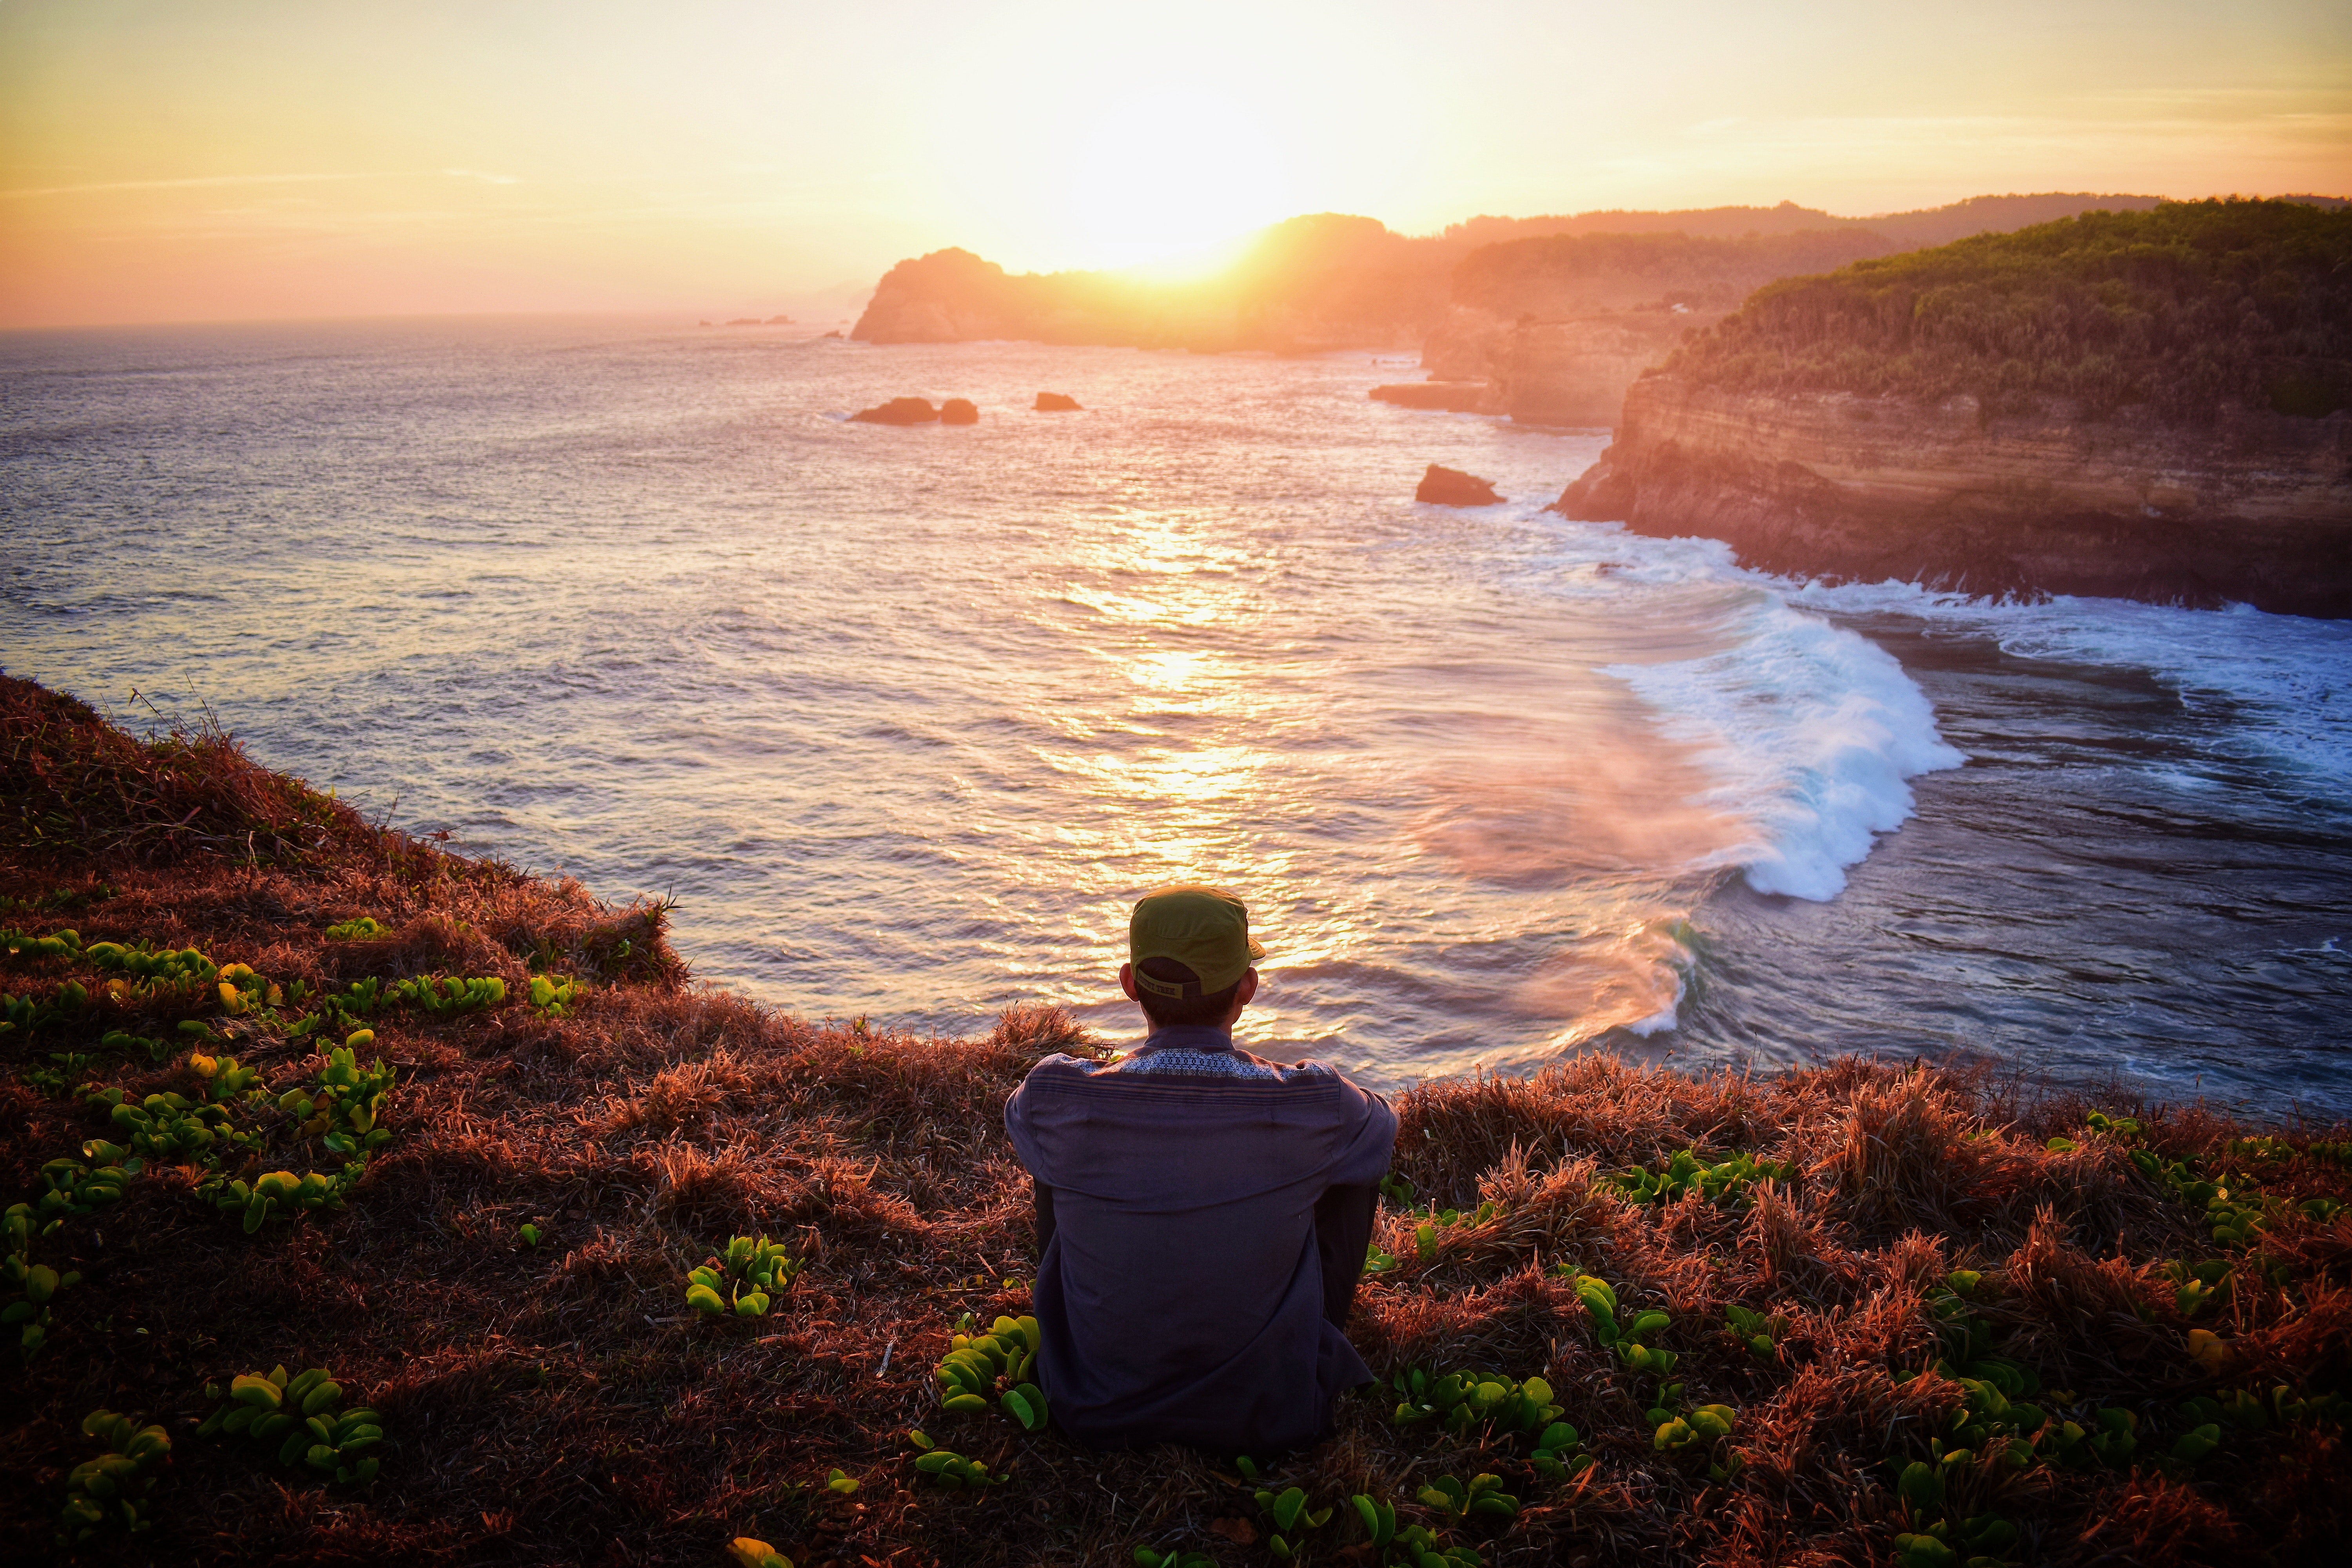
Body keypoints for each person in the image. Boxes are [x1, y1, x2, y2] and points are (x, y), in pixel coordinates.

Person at [1003, 884, 1398, 1454]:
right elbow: (1382, 1127)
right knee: (1350, 1169)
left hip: (1091, 1409)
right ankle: (1313, 1340)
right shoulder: (1314, 1105)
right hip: (1271, 1418)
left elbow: (1022, 1119)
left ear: (1129, 984)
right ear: (1248, 989)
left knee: (1059, 1158)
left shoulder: (1057, 1095)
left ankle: (1092, 1342)